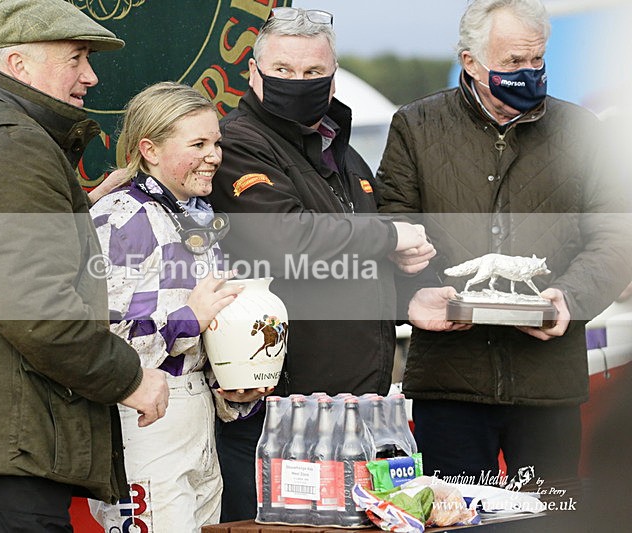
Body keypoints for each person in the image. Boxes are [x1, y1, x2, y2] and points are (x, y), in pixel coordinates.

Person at [0, 0, 169, 530]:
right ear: (19, 65)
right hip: (6, 455)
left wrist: (74, 210)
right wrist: (129, 378)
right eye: (76, 57)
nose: (90, 76)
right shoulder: (13, 145)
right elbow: (37, 311)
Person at [377, 0, 632, 489]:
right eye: (513, 62)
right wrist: (419, 295)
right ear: (470, 60)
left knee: (551, 517)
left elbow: (616, 233)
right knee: (455, 518)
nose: (529, 73)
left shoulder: (581, 130)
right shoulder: (416, 126)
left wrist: (571, 299)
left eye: (537, 60)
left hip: (548, 387)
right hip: (450, 386)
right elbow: (393, 229)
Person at [206, 7, 435, 521]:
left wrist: (411, 297)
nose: (298, 82)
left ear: (332, 80)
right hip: (277, 410)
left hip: (352, 408)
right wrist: (389, 234)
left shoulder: (342, 151)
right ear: (254, 73)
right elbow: (284, 240)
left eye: (313, 73)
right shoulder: (239, 143)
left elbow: (351, 262)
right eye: (284, 70)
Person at [88, 81, 268, 532]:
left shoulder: (194, 213)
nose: (214, 155)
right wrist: (191, 317)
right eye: (199, 144)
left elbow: (199, 332)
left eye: (217, 142)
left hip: (198, 417)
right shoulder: (121, 216)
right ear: (148, 149)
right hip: (141, 421)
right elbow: (98, 342)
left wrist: (233, 385)